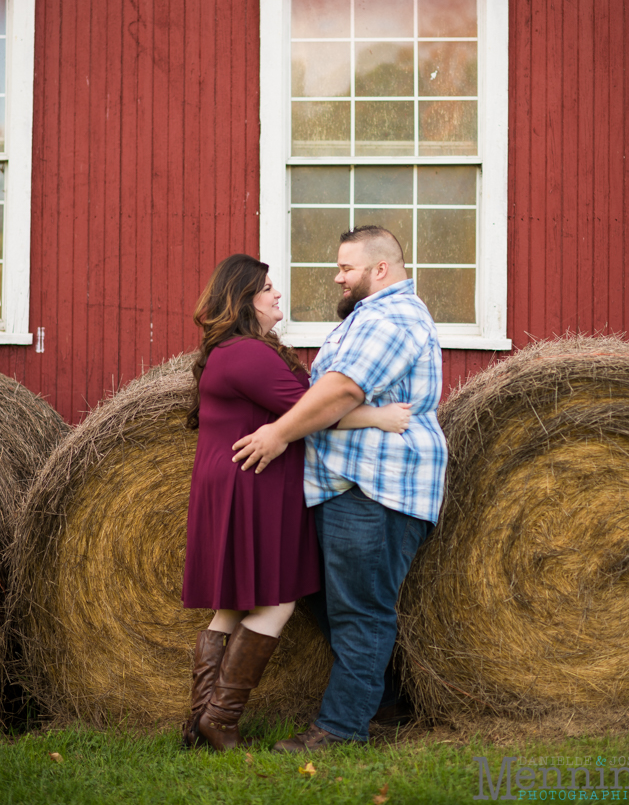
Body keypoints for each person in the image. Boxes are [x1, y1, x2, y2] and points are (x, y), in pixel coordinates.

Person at [181, 253, 412, 752]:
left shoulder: (228, 350)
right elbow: (314, 410)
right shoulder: (248, 353)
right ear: (245, 299)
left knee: (229, 607)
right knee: (277, 598)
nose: (276, 294)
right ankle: (220, 719)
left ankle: (200, 719)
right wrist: (376, 417)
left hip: (232, 482)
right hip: (256, 485)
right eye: (267, 289)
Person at [232, 226, 448, 750]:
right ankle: (388, 703)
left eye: (347, 268)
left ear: (381, 269)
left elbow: (342, 388)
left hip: (373, 487)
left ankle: (340, 730)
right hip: (343, 487)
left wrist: (279, 434)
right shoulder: (364, 319)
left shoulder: (392, 316)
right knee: (328, 602)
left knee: (358, 611)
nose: (338, 277)